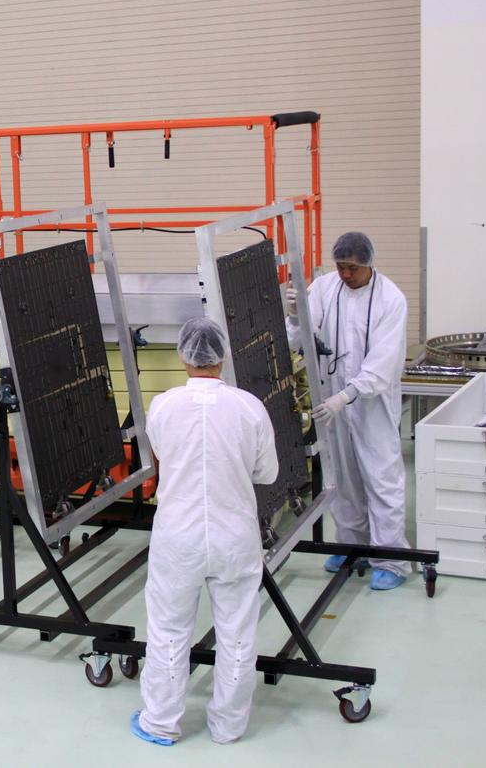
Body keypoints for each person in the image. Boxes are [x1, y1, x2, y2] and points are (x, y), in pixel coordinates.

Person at [132, 317, 278, 747]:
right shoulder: (249, 407)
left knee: (168, 630)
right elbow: (267, 473)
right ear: (224, 356)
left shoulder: (163, 407)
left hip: (178, 538)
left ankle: (160, 722)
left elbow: (163, 454)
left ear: (183, 356)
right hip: (235, 537)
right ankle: (229, 726)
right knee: (237, 632)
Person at [285, 231, 410, 590]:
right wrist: (295, 314)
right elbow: (297, 339)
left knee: (381, 477)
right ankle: (351, 546)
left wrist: (347, 395)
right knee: (342, 474)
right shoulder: (325, 288)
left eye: (352, 268)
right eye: (340, 266)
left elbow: (383, 363)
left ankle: (391, 559)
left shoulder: (391, 299)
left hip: (372, 402)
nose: (345, 274)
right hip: (332, 398)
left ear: (368, 264)